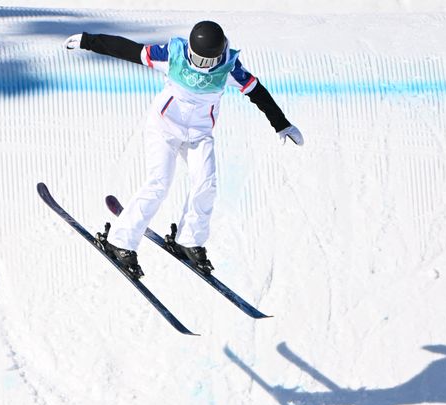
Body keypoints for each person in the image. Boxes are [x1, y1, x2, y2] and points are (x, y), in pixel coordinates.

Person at [63, 21, 303, 278]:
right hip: (164, 128)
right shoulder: (173, 55)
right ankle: (120, 241)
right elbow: (128, 49)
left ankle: (189, 240)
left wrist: (281, 124)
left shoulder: (228, 68)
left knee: (206, 184)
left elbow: (257, 92)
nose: (202, 66)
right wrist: (89, 41)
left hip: (199, 135)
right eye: (198, 59)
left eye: (208, 61)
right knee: (159, 183)